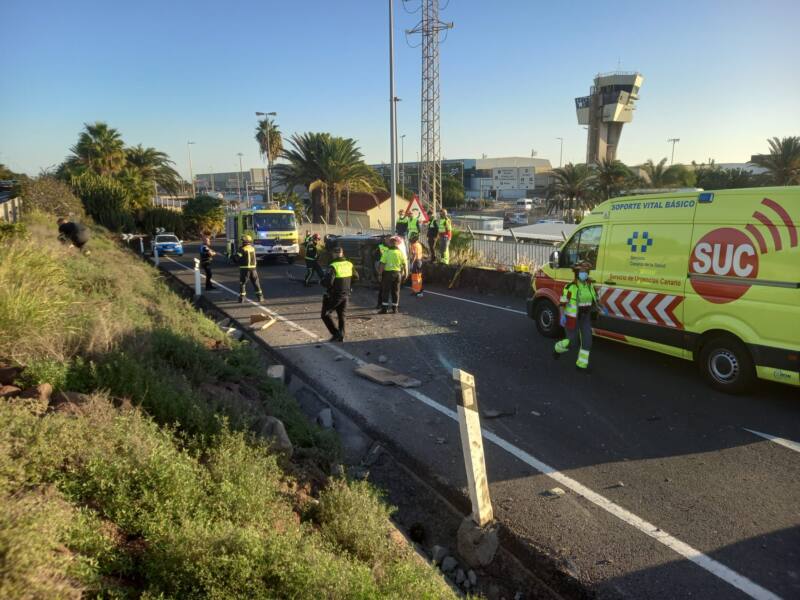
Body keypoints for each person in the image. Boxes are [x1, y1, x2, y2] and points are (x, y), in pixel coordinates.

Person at [553, 261, 605, 372]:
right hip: (572, 318)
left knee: (587, 341)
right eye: (582, 272)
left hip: (585, 317)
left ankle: (581, 365)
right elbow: (562, 303)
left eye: (586, 272)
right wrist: (562, 315)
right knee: (572, 343)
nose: (584, 274)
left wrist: (601, 307)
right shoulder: (570, 287)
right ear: (577, 273)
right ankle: (557, 348)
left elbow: (595, 299)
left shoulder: (590, 286)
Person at [320, 246, 358, 342]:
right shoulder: (349, 264)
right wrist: (348, 285)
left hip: (335, 295)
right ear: (342, 253)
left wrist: (321, 282)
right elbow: (356, 277)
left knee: (325, 314)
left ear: (334, 254)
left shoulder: (333, 266)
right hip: (346, 294)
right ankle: (341, 336)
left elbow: (328, 282)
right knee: (342, 315)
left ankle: (336, 333)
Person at [378, 236, 407, 314]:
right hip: (398, 274)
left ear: (390, 243)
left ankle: (384, 309)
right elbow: (404, 264)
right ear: (396, 244)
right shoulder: (400, 253)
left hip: (388, 274)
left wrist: (380, 274)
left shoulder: (387, 252)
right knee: (396, 291)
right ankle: (395, 309)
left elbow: (382, 264)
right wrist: (406, 274)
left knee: (386, 291)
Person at [235, 234, 264, 303]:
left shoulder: (242, 249)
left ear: (244, 242)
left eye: (242, 241)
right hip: (253, 269)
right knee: (256, 283)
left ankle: (242, 298)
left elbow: (236, 258)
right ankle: (260, 297)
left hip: (245, 269)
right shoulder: (252, 248)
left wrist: (229, 255)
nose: (242, 242)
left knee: (242, 283)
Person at [374, 235, 390, 308]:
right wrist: (379, 272)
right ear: (384, 239)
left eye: (390, 239)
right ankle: (380, 304)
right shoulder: (380, 247)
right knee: (382, 288)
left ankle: (393, 304)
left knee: (391, 289)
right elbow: (377, 260)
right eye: (387, 239)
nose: (388, 241)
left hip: (390, 270)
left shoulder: (393, 248)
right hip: (382, 270)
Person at [408, 232, 424, 297]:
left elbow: (414, 255)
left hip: (416, 262)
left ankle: (418, 291)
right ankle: (416, 291)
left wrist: (411, 263)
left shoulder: (414, 245)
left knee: (416, 278)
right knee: (418, 277)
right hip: (419, 261)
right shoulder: (419, 244)